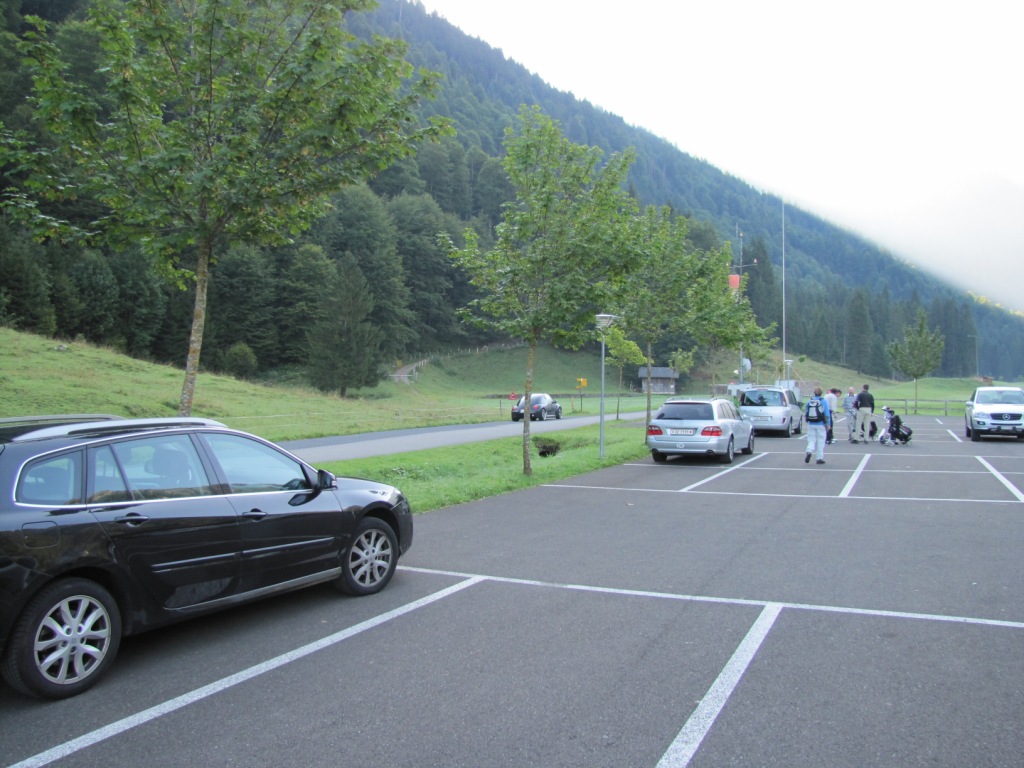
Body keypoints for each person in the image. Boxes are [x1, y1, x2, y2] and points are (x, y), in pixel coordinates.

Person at [803, 386, 831, 464]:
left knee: (811, 439)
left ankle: (809, 450)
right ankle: (819, 458)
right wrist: (828, 424)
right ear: (821, 393)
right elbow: (826, 413)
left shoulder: (809, 401)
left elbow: (806, 412)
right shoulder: (823, 401)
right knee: (821, 441)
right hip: (820, 423)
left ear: (814, 392)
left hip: (811, 423)